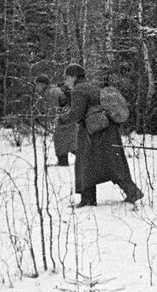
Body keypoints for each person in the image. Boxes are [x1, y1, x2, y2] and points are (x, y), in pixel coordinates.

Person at [57, 63, 143, 207]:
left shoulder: (78, 89)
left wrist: (62, 118)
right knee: (113, 163)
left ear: (73, 76)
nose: (66, 82)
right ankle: (132, 191)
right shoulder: (91, 86)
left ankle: (88, 199)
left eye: (66, 78)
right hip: (106, 129)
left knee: (85, 162)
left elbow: (77, 114)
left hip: (94, 132)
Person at [35, 75, 76, 167]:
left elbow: (53, 113)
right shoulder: (52, 91)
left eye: (38, 85)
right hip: (67, 119)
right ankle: (88, 159)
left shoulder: (51, 92)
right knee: (70, 143)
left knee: (61, 142)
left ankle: (63, 163)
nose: (37, 87)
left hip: (64, 120)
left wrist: (40, 118)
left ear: (43, 84)